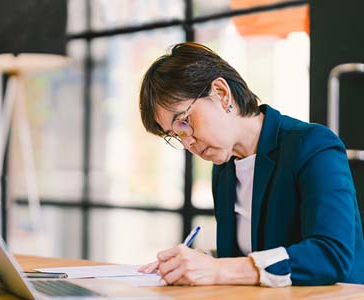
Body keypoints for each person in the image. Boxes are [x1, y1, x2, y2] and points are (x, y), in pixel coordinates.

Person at [137, 42, 364, 287]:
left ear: (221, 93)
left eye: (183, 122)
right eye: (176, 135)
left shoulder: (312, 144)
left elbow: (330, 255)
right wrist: (200, 261)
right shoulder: (224, 168)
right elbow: (251, 257)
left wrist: (219, 269)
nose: (188, 142)